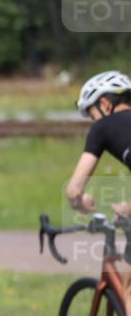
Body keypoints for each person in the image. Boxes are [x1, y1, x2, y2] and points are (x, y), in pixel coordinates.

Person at [65, 70, 131, 215]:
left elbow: (73, 191)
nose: (94, 121)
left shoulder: (102, 127)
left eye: (92, 115)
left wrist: (82, 204)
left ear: (105, 104)